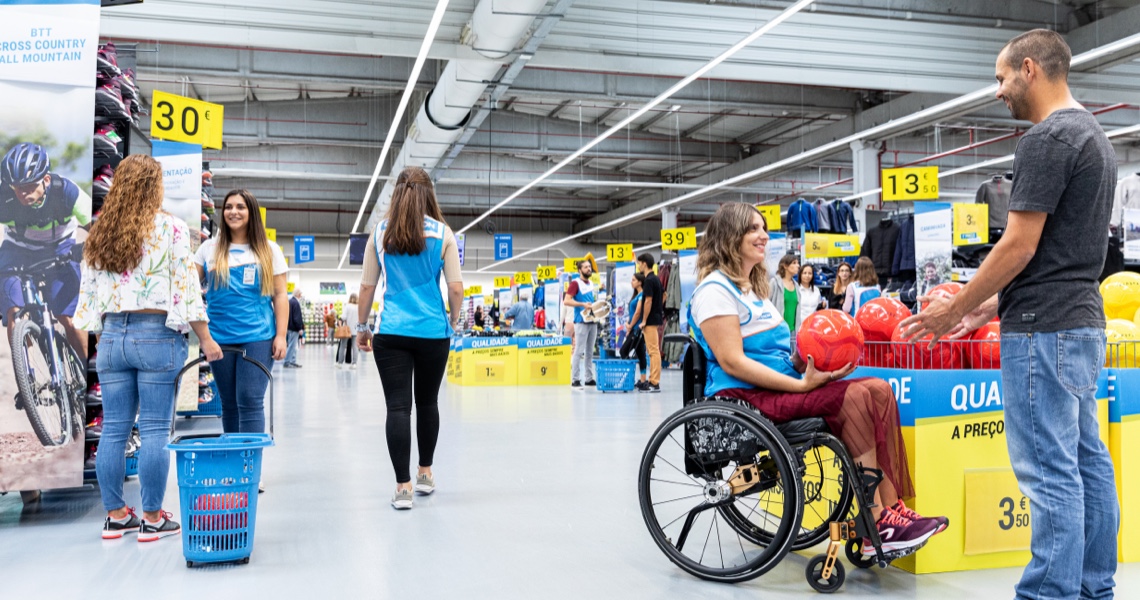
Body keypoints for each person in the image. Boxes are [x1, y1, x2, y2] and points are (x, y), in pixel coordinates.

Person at [900, 30, 1118, 599]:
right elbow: (1059, 258)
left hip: (1043, 334)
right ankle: (1094, 588)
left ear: (1029, 69)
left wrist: (954, 308)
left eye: (1000, 78)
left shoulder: (1047, 139)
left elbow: (1019, 246)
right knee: (1086, 463)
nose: (997, 91)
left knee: (1049, 473)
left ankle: (1049, 592)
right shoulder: (1095, 136)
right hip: (1080, 323)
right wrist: (990, 308)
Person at [688, 202, 947, 556]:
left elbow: (778, 355)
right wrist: (801, 384)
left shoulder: (753, 290)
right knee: (854, 398)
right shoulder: (714, 291)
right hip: (746, 396)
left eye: (763, 228)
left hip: (778, 385)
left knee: (879, 390)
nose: (763, 235)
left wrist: (816, 360)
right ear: (729, 236)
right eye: (753, 229)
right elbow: (733, 362)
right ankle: (876, 520)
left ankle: (892, 510)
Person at [73, 154, 223, 541]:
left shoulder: (99, 231)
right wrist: (205, 339)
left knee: (114, 430)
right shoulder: (171, 229)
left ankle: (116, 514)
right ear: (154, 187)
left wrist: (92, 332)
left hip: (110, 337)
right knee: (156, 428)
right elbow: (188, 291)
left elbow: (86, 294)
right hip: (156, 335)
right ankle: (153, 518)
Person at [356, 166, 462, 510]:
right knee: (427, 403)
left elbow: (367, 286)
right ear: (429, 194)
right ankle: (425, 473)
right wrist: (454, 319)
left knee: (398, 407)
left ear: (397, 194)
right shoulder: (443, 233)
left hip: (392, 333)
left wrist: (361, 328)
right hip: (433, 333)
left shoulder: (380, 234)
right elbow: (456, 288)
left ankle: (402, 488)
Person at [194, 189, 288, 434]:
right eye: (228, 207)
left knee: (250, 400)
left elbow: (280, 296)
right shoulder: (208, 249)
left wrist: (280, 335)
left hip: (258, 337)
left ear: (251, 212)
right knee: (229, 403)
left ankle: (249, 465)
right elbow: (188, 289)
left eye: (240, 207)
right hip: (219, 338)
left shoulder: (269, 250)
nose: (233, 211)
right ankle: (234, 465)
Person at [0, 142, 91, 358]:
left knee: (68, 318)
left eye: (30, 185)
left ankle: (88, 376)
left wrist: (88, 249)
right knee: (15, 314)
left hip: (61, 248)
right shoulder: (4, 199)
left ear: (46, 180)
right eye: (17, 187)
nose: (23, 193)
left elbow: (99, 229)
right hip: (18, 251)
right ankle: (27, 378)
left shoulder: (66, 191)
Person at [564, 259, 598, 387]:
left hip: (592, 320)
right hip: (581, 321)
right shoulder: (575, 283)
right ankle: (575, 379)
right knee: (579, 350)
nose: (589, 269)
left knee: (590, 351)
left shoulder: (591, 284)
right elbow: (566, 301)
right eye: (586, 267)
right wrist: (582, 304)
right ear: (580, 270)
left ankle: (589, 378)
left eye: (589, 267)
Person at [636, 253, 663, 393]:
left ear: (644, 264)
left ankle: (654, 382)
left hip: (650, 320)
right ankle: (653, 379)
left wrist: (644, 320)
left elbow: (648, 301)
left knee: (653, 351)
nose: (638, 265)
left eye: (639, 263)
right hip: (656, 318)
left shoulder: (648, 281)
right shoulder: (656, 279)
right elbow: (664, 295)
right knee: (653, 350)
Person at [621, 272, 648, 389]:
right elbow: (632, 314)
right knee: (641, 354)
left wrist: (631, 326)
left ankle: (628, 377)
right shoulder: (636, 295)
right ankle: (642, 380)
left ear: (640, 282)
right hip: (634, 328)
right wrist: (628, 324)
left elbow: (637, 313)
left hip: (637, 329)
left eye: (633, 280)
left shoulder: (642, 295)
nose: (631, 282)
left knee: (623, 351)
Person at [768, 255, 801, 334]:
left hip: (793, 331)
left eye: (798, 263)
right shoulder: (774, 282)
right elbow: (766, 305)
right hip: (777, 330)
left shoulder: (796, 286)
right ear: (785, 266)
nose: (798, 266)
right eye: (794, 263)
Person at [337, 293, 359, 366]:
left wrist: (340, 323)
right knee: (355, 347)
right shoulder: (359, 307)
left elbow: (343, 317)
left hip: (347, 330)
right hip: (356, 330)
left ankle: (340, 363)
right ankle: (354, 363)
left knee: (342, 346)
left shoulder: (347, 306)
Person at [284, 289, 304, 368]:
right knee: (292, 345)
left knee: (293, 345)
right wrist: (300, 328)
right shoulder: (296, 303)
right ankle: (287, 361)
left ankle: (292, 361)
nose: (301, 296)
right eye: (301, 294)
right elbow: (297, 317)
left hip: (289, 327)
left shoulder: (290, 302)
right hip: (294, 328)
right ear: (298, 294)